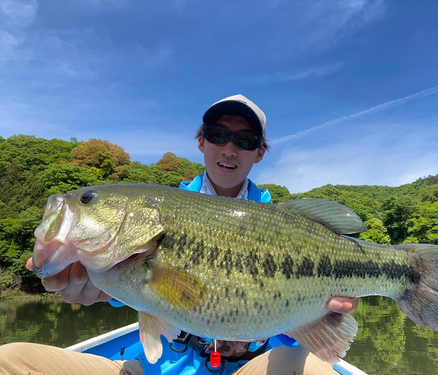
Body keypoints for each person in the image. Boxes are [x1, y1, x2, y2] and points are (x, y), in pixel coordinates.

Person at [0, 94, 358, 375]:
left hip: (249, 368)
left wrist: (310, 321)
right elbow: (131, 294)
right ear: (201, 142)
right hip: (156, 369)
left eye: (245, 140)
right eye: (218, 135)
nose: (229, 147)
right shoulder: (148, 234)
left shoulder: (287, 228)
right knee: (9, 361)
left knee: (314, 369)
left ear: (259, 153)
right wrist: (92, 287)